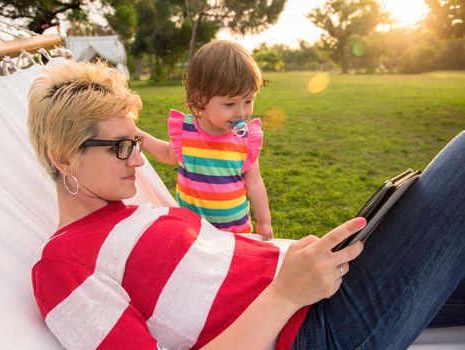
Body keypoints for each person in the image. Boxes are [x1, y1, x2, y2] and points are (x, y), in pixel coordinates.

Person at [28, 60, 464, 350]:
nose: (140, 159)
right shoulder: (64, 262)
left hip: (322, 288)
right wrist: (285, 292)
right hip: (315, 328)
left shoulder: (134, 211)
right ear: (64, 156)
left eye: (136, 142)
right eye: (122, 147)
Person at [138, 40, 273, 239]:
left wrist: (264, 222)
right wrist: (139, 136)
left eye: (248, 101)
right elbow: (168, 155)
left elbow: (254, 183)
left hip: (236, 233)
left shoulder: (245, 139)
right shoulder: (186, 131)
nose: (242, 112)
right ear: (201, 99)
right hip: (194, 231)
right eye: (230, 104)